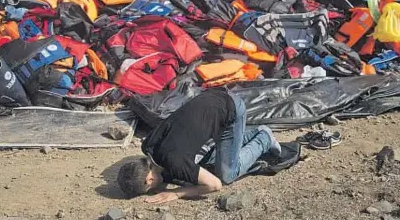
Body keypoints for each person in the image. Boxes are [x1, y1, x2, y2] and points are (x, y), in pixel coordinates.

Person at [116, 87, 281, 204]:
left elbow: (215, 185)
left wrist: (176, 193)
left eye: (150, 189)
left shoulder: (175, 162)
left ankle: (264, 138)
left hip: (231, 109)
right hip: (211, 96)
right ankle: (252, 134)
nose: (154, 189)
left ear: (149, 179)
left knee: (227, 174)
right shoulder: (148, 146)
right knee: (208, 162)